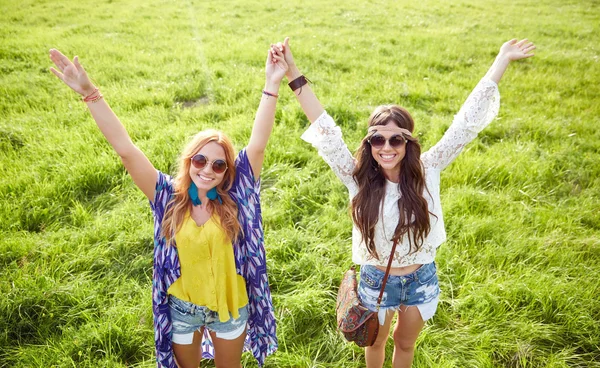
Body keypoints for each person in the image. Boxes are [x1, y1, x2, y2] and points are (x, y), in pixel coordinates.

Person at [276, 37, 535, 367]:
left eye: (396, 139)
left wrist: (501, 60)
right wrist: (292, 72)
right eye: (378, 139)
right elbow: (326, 130)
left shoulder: (428, 169)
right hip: (375, 280)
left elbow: (465, 124)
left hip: (420, 280)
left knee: (405, 344)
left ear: (408, 142)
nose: (387, 147)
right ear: (369, 144)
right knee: (375, 340)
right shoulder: (357, 179)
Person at [48, 45, 288, 367]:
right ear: (189, 161)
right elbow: (127, 150)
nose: (207, 169)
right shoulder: (167, 197)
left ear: (228, 171)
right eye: (200, 160)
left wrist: (272, 83)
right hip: (182, 310)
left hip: (230, 306)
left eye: (218, 165)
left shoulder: (237, 197)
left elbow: (257, 143)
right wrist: (91, 94)